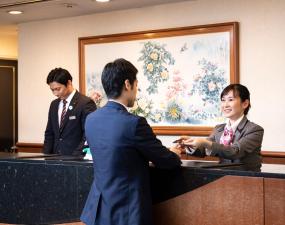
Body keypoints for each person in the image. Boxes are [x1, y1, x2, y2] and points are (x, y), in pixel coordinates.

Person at [80, 58, 181, 225]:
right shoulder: (134, 123)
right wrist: (174, 154)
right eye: (136, 85)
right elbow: (165, 160)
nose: (137, 90)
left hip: (98, 208)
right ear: (128, 84)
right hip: (126, 211)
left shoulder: (91, 119)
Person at [177, 84, 264, 171]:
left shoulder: (255, 130)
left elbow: (234, 151)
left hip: (248, 179)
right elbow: (204, 150)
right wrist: (190, 144)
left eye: (230, 100)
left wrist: (204, 142)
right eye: (223, 100)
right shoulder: (219, 129)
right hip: (223, 178)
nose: (225, 105)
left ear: (245, 104)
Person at [43, 68, 97, 155]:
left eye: (58, 89)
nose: (55, 94)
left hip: (75, 160)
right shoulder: (54, 105)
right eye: (52, 90)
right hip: (54, 159)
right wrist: (45, 157)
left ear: (68, 83)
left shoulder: (85, 103)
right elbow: (49, 133)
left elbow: (88, 135)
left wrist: (75, 157)